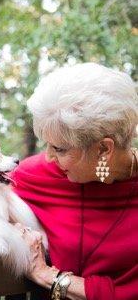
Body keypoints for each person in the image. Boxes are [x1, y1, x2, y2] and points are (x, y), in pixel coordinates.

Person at [11, 63, 138, 300]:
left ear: (103, 149)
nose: (48, 156)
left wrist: (47, 275)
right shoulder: (36, 175)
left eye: (59, 148)